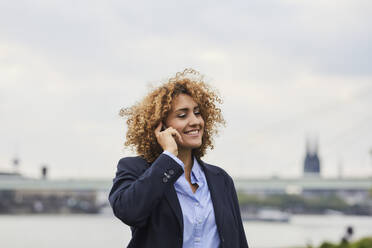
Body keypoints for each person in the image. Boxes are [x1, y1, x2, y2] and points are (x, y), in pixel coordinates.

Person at [109, 69, 249, 248]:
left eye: (198, 113)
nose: (195, 121)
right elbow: (128, 212)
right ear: (160, 126)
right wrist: (168, 156)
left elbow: (238, 240)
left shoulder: (221, 179)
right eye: (182, 115)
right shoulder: (135, 169)